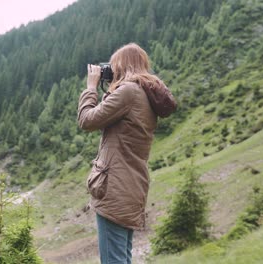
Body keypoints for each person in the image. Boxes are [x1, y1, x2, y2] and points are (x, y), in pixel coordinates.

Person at [77, 43, 176, 264]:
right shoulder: (144, 95)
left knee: (114, 260)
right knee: (122, 258)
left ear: (123, 65)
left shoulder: (129, 92)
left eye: (114, 66)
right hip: (131, 185)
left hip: (115, 188)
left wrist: (92, 87)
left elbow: (86, 120)